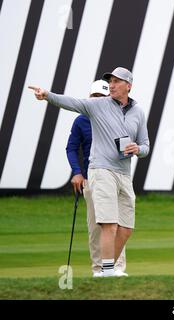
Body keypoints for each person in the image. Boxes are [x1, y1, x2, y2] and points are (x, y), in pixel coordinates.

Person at [29, 67, 150, 277]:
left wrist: (138, 150)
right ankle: (107, 271)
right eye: (110, 81)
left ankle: (108, 268)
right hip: (100, 169)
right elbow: (71, 102)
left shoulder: (138, 112)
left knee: (126, 228)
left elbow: (146, 144)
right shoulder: (98, 105)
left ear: (128, 86)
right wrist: (47, 95)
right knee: (108, 224)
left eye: (116, 81)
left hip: (124, 173)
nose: (111, 85)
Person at [66, 79, 127, 277]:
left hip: (115, 176)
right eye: (95, 97)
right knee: (96, 226)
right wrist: (76, 172)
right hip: (92, 178)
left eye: (102, 97)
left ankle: (117, 268)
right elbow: (72, 148)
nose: (98, 100)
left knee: (116, 224)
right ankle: (98, 269)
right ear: (90, 97)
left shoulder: (118, 117)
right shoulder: (82, 120)